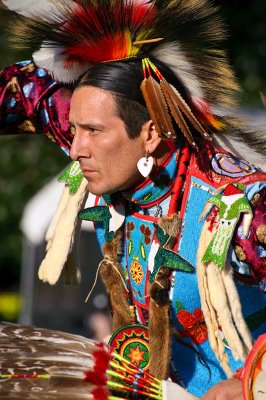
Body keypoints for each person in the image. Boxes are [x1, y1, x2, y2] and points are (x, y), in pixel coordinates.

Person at [0, 0, 265, 399]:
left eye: (91, 130)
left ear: (152, 134)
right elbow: (24, 97)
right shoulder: (109, 147)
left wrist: (249, 384)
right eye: (74, 129)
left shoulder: (241, 208)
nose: (75, 148)